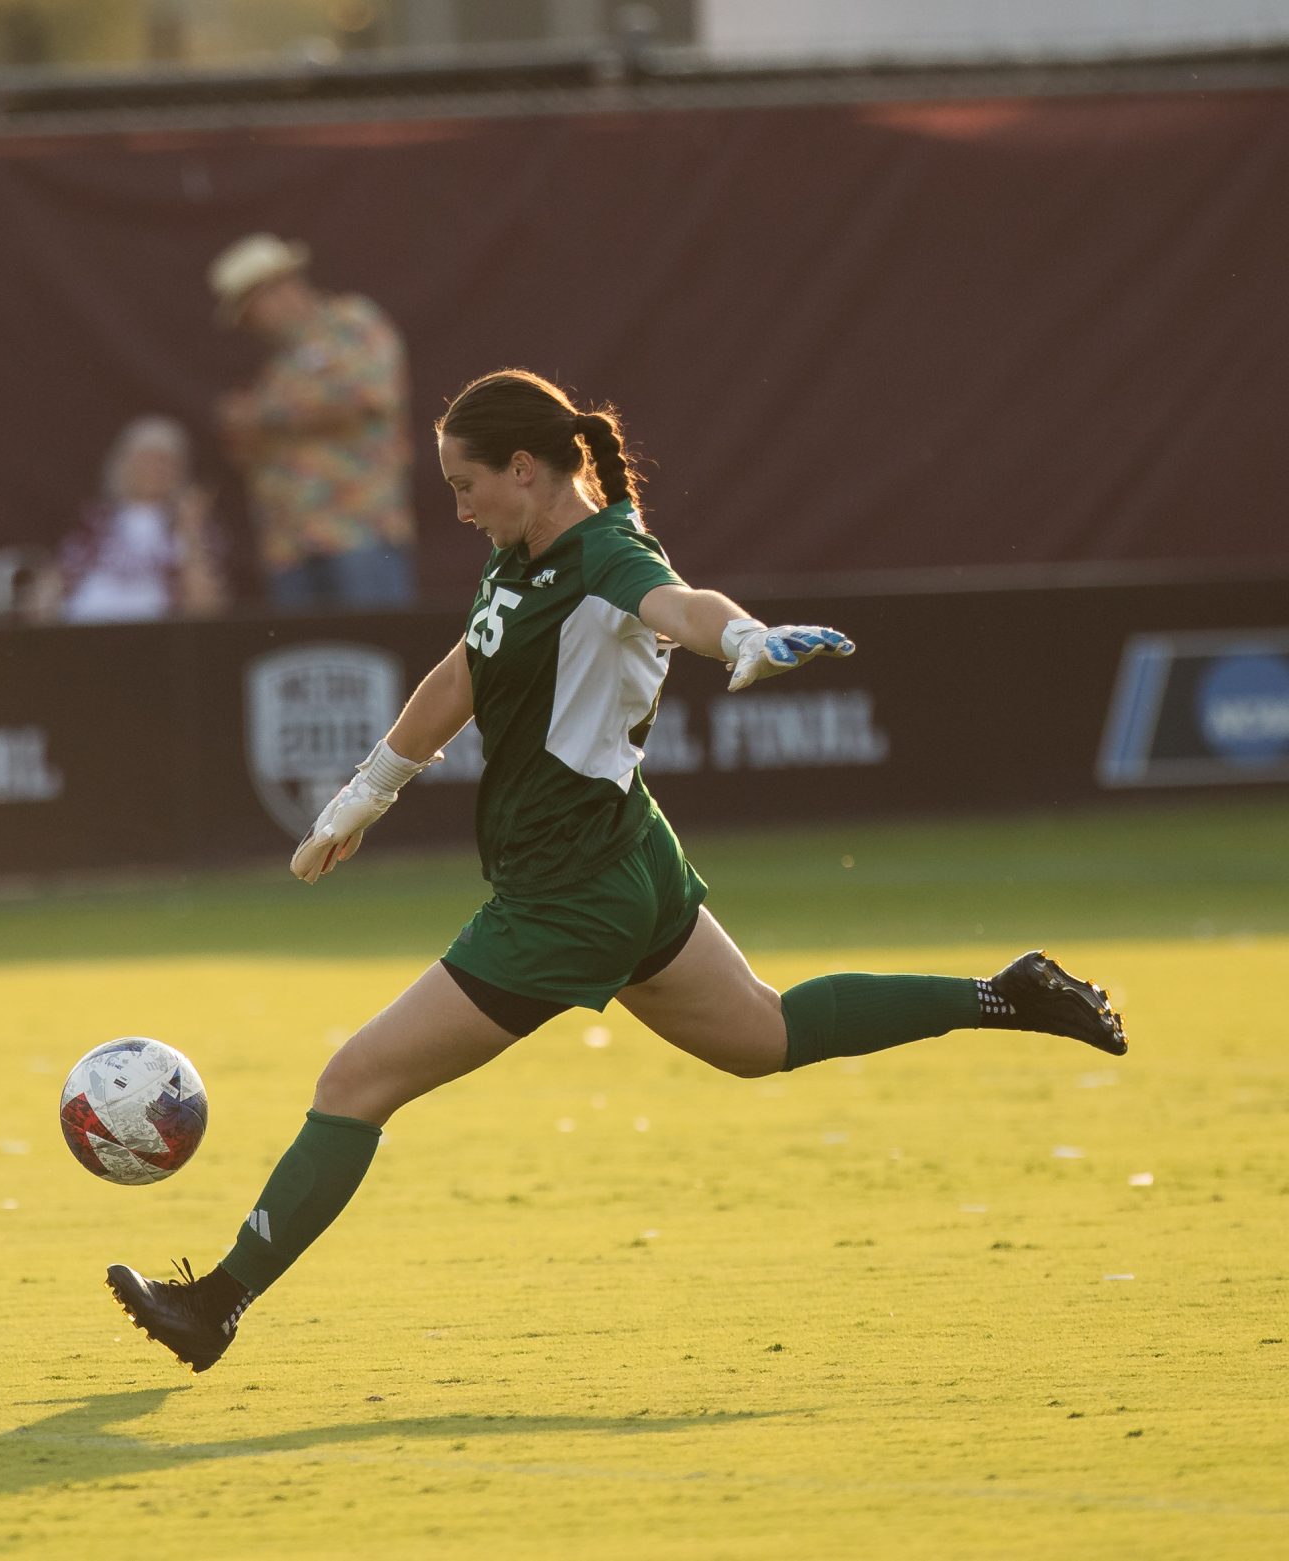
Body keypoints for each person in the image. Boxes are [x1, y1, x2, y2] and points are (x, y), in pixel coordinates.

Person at [106, 368, 1127, 1372]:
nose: (457, 509)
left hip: (566, 897)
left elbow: (677, 604)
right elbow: (464, 667)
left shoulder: (600, 554)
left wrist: (745, 638)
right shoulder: (527, 552)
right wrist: (365, 793)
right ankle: (1008, 995)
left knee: (353, 1081)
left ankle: (216, 1303)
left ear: (522, 467)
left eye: (465, 486)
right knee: (763, 1036)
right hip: (627, 858)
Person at [209, 234, 414, 612]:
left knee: (375, 652)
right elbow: (256, 451)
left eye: (250, 310)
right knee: (308, 656)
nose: (251, 325)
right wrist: (241, 432)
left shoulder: (353, 324)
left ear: (278, 290)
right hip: (289, 546)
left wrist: (262, 417)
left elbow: (365, 399)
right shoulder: (276, 370)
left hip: (357, 533)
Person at [57, 416, 226, 623]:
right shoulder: (94, 521)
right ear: (122, 465)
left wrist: (191, 530)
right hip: (86, 628)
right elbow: (59, 582)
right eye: (145, 459)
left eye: (164, 461)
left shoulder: (191, 525)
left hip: (157, 636)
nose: (153, 469)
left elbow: (208, 607)